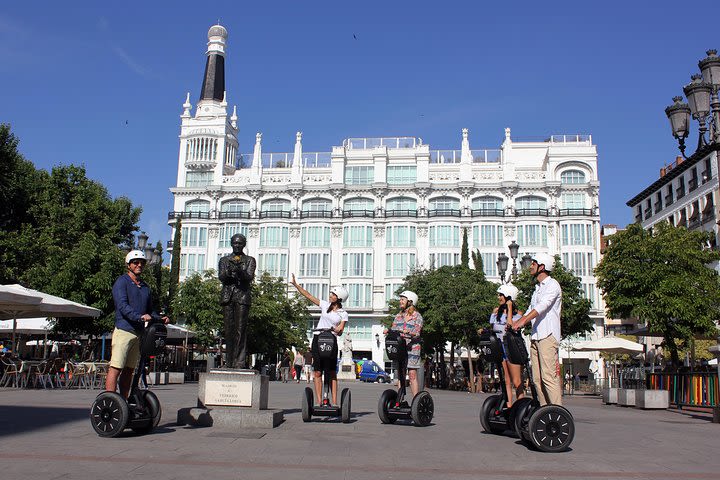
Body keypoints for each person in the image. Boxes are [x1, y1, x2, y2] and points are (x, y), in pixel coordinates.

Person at [106, 250, 168, 398]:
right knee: (116, 367)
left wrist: (160, 318)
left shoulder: (145, 287)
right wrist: (139, 317)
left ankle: (124, 402)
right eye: (136, 262)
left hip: (139, 333)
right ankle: (110, 400)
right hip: (124, 330)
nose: (139, 265)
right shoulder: (122, 282)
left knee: (129, 369)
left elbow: (149, 311)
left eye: (142, 263)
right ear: (129, 265)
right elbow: (122, 306)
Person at [512, 252, 563, 406]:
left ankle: (556, 411)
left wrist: (523, 321)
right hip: (536, 336)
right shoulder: (538, 288)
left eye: (533, 263)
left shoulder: (553, 285)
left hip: (548, 335)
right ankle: (544, 412)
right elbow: (530, 309)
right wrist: (515, 322)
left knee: (549, 377)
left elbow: (542, 307)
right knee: (536, 379)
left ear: (542, 267)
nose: (530, 266)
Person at [290, 274, 348, 405]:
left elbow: (341, 330)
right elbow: (309, 296)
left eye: (333, 294)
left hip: (331, 341)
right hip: (318, 339)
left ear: (338, 298)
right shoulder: (324, 305)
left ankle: (334, 402)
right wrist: (295, 285)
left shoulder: (343, 313)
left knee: (332, 372)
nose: (330, 296)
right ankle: (319, 401)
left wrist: (337, 329)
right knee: (317, 371)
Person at [218, 233, 256, 369]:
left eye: (240, 243)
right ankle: (228, 362)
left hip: (242, 297)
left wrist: (239, 271)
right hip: (228, 297)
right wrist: (229, 272)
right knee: (228, 331)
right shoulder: (224, 260)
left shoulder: (250, 260)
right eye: (235, 243)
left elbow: (249, 276)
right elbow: (221, 277)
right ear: (231, 243)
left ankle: (239, 362)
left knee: (240, 330)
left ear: (244, 244)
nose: (237, 245)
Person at [488, 283, 524, 407]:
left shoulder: (518, 314)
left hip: (513, 348)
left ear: (509, 297)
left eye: (501, 295)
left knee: (517, 381)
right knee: (506, 380)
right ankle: (509, 407)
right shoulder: (496, 312)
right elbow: (493, 329)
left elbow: (510, 326)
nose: (499, 297)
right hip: (500, 348)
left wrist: (509, 310)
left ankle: (520, 407)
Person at [387, 291, 424, 399]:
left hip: (412, 348)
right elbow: (394, 328)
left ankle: (415, 402)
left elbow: (417, 332)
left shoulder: (417, 316)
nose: (400, 301)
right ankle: (399, 400)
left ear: (410, 301)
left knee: (412, 374)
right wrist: (388, 331)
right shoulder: (398, 316)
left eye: (403, 299)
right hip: (400, 347)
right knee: (400, 375)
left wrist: (409, 332)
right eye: (401, 299)